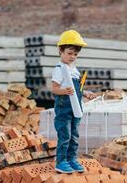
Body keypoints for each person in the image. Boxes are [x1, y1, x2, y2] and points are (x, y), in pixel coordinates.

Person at [51, 30, 96, 173]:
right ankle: (61, 161)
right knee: (65, 135)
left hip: (76, 108)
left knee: (74, 136)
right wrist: (64, 91)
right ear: (61, 50)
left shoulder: (74, 70)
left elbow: (77, 89)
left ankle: (71, 159)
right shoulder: (59, 69)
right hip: (63, 108)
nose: (72, 57)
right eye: (69, 53)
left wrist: (85, 93)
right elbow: (54, 89)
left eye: (75, 54)